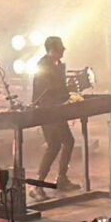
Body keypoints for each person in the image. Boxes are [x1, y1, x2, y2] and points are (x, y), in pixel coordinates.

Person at [31, 37, 77, 193]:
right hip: (48, 111)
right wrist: (65, 91)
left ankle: (60, 178)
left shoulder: (57, 65)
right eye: (60, 48)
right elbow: (46, 92)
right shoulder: (43, 66)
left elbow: (60, 90)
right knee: (55, 145)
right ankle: (39, 185)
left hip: (57, 110)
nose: (64, 50)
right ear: (52, 49)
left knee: (64, 143)